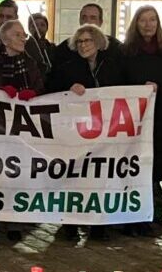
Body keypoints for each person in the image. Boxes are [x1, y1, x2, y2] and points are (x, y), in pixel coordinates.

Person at [49, 24, 125, 241]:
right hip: (77, 133)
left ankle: (98, 225)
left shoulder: (111, 65)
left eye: (88, 41)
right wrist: (69, 88)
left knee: (100, 179)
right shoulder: (69, 67)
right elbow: (52, 87)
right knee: (74, 179)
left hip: (106, 133)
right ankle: (70, 224)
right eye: (80, 41)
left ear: (98, 42)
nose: (83, 45)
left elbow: (125, 88)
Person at [0, 19, 43, 241]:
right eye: (17, 34)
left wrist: (33, 93)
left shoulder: (30, 63)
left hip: (20, 129)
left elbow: (39, 86)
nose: (23, 37)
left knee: (16, 171)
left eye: (24, 34)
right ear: (4, 39)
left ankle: (14, 220)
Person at [119, 5, 162, 235]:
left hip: (160, 116)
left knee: (154, 167)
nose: (148, 24)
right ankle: (133, 218)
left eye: (152, 20)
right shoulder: (126, 52)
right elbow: (119, 83)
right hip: (133, 118)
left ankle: (152, 215)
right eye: (143, 20)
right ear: (136, 23)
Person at [25, 12, 56, 83]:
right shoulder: (23, 47)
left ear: (47, 28)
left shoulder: (52, 47)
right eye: (34, 25)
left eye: (42, 25)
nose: (38, 28)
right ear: (29, 28)